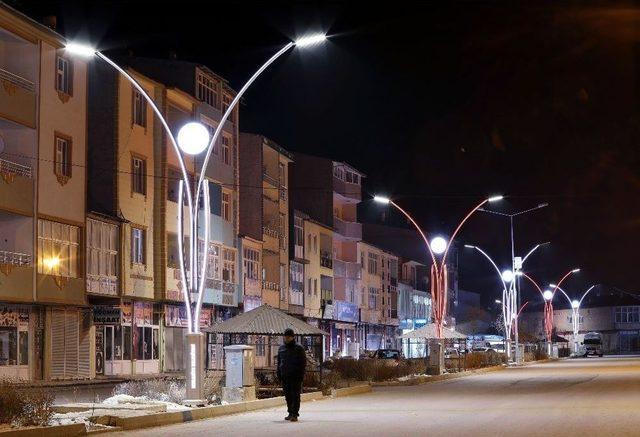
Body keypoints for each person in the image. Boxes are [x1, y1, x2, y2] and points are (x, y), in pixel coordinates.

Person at [277, 328, 306, 422]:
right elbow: (279, 363)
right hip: (285, 376)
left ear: (293, 337)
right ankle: (290, 412)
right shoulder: (281, 348)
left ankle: (295, 414)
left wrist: (301, 376)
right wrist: (279, 374)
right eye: (285, 337)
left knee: (295, 395)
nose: (286, 338)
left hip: (296, 377)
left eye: (288, 337)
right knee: (288, 396)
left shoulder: (299, 348)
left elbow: (303, 363)